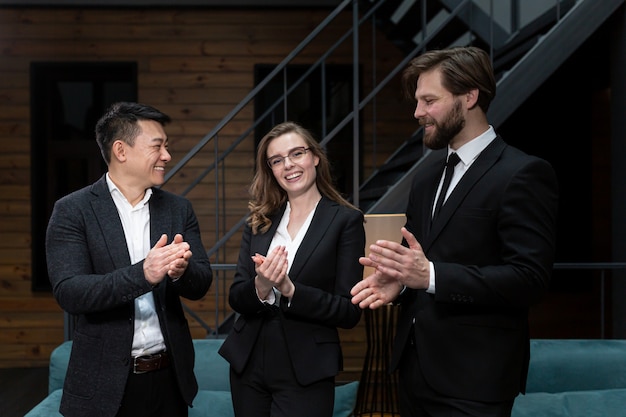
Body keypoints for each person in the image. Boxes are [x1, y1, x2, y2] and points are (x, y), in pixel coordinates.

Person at [351, 46, 559, 417]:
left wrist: (429, 275)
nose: (417, 113)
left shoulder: (523, 173)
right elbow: (416, 263)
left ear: (470, 96)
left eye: (429, 100)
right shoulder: (427, 176)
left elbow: (529, 279)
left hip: (476, 381)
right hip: (413, 374)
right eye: (417, 101)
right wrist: (398, 282)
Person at [45, 101, 213, 417]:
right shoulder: (72, 211)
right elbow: (70, 291)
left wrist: (180, 272)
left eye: (167, 147)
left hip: (170, 381)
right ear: (121, 151)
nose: (167, 156)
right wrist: (143, 274)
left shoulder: (178, 209)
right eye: (157, 146)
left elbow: (201, 282)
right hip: (103, 385)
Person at [218, 121, 365, 417]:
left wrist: (290, 290)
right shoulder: (260, 221)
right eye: (277, 160)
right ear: (271, 170)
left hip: (306, 368)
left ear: (315, 157)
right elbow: (236, 296)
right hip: (248, 364)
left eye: (296, 153)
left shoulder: (345, 221)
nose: (288, 165)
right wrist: (260, 287)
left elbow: (349, 312)